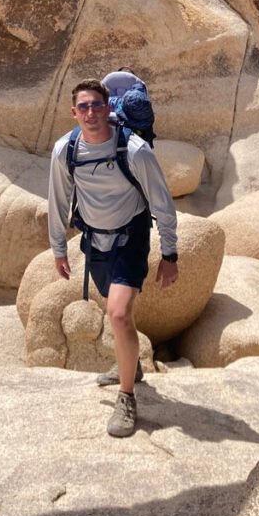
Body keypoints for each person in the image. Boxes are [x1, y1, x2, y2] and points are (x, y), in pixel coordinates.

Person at [48, 78, 179, 437]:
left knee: (118, 313)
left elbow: (162, 202)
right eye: (83, 107)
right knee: (118, 311)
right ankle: (131, 365)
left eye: (97, 105)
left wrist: (170, 253)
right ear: (74, 113)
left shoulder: (134, 150)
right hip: (95, 242)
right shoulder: (66, 150)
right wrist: (58, 248)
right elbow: (58, 200)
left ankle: (126, 397)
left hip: (131, 237)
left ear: (108, 109)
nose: (91, 113)